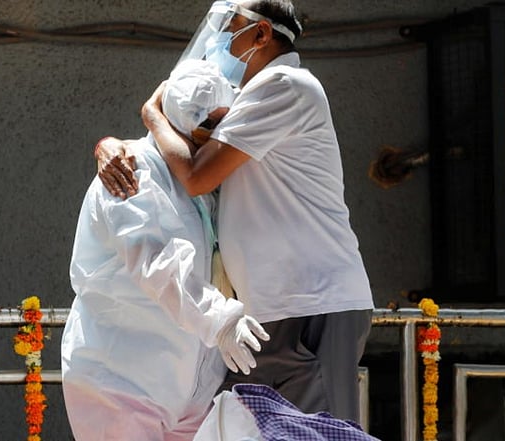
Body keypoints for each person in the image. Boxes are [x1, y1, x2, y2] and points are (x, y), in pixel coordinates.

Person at [96, 0, 374, 423]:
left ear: (261, 34)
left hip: (312, 304)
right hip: (265, 313)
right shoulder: (247, 98)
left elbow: (194, 174)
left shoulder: (284, 84)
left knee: (316, 435)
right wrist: (111, 146)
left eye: (230, 25)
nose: (218, 38)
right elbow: (174, 152)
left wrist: (151, 114)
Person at [60, 59, 269, 441]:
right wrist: (220, 320)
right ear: (181, 121)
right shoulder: (132, 170)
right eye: (209, 125)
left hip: (186, 390)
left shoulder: (196, 184)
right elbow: (157, 261)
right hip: (122, 381)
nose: (218, 137)